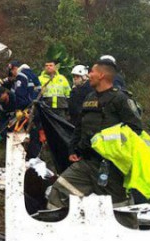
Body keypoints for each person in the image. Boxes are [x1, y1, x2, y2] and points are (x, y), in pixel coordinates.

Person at [47, 60, 143, 227]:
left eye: (92, 71)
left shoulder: (121, 99)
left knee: (121, 210)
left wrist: (109, 143)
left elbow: (136, 129)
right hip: (86, 163)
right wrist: (73, 148)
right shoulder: (89, 98)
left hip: (111, 168)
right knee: (59, 191)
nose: (88, 75)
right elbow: (80, 126)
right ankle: (52, 231)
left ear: (102, 75)